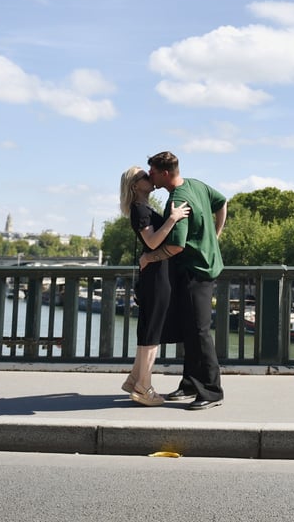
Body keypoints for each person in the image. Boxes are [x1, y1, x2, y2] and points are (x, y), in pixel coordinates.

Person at [139, 151, 226, 411]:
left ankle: (211, 391)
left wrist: (150, 257)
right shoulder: (196, 185)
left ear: (164, 173)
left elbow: (176, 246)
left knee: (199, 332)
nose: (150, 175)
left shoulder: (179, 199)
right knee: (190, 329)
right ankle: (190, 383)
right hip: (206, 264)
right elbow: (222, 202)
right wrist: (215, 235)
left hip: (193, 270)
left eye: (152, 171)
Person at [119, 166, 190, 406]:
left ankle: (135, 379)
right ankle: (143, 388)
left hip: (157, 274)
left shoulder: (144, 208)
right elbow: (151, 241)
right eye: (142, 176)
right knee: (152, 332)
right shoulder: (139, 209)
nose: (148, 177)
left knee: (148, 328)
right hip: (157, 277)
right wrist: (172, 219)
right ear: (134, 185)